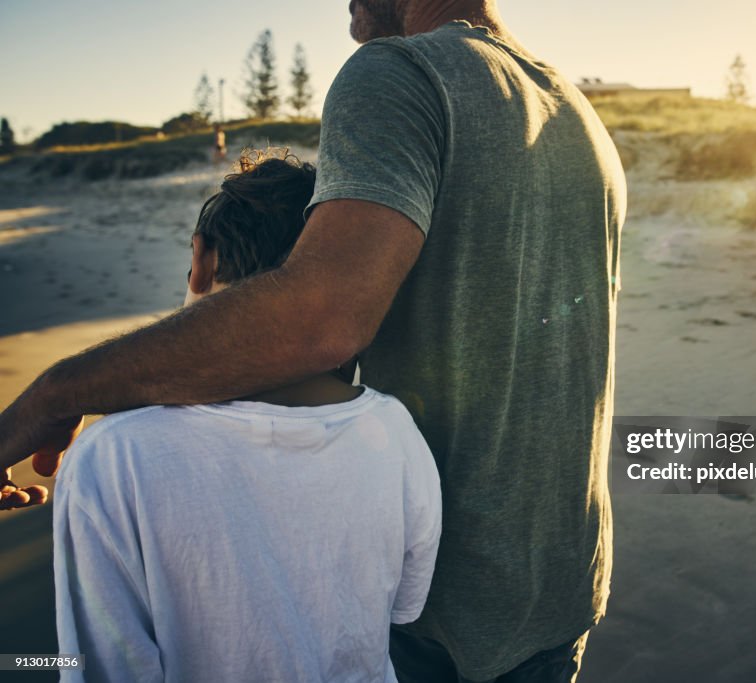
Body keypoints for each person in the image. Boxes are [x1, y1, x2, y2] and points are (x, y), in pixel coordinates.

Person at [0, 1, 626, 681]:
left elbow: (322, 316)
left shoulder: (402, 71)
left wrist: (56, 393)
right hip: (560, 593)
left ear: (202, 260)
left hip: (438, 631)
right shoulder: (576, 113)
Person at [52, 152, 443, 682]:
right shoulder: (394, 431)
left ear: (202, 260)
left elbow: (97, 667)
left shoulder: (113, 457)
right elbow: (402, 607)